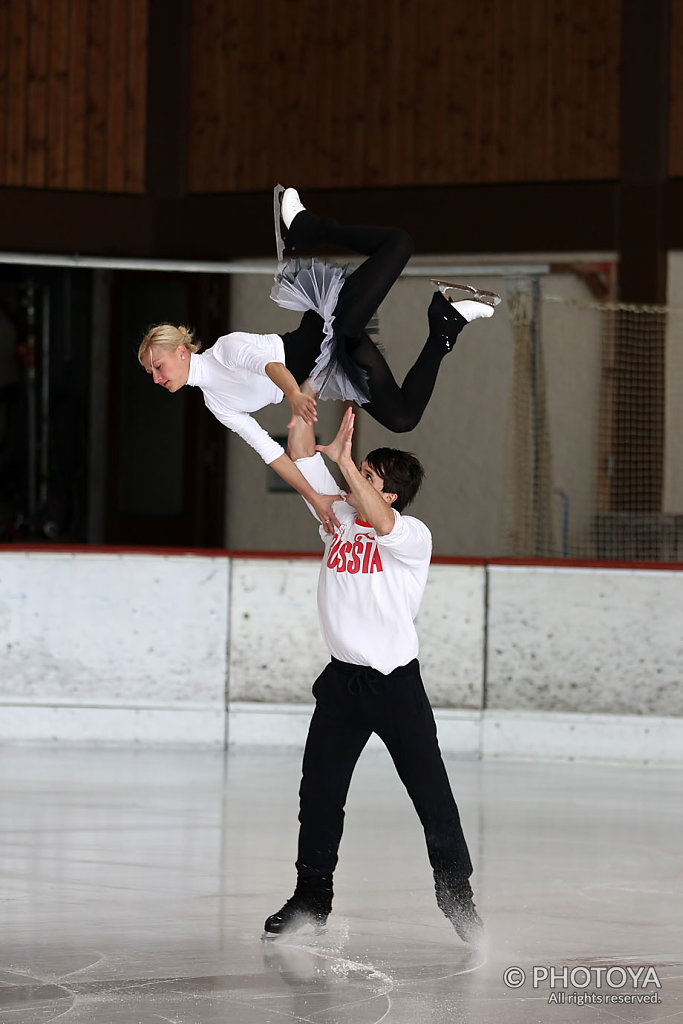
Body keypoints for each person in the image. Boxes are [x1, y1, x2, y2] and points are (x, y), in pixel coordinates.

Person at [138, 188, 497, 531]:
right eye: (150, 373)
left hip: (323, 333)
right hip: (332, 361)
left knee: (399, 244)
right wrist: (318, 498)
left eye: (157, 366)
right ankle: (444, 327)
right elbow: (271, 453)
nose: (156, 377)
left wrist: (294, 396)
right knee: (403, 418)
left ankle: (312, 227)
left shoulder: (225, 350)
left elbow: (271, 367)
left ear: (181, 351)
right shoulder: (216, 402)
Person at [262, 404, 483, 945]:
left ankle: (458, 898)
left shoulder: (410, 536)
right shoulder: (337, 518)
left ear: (390, 496)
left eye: (368, 478)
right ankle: (312, 897)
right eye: (360, 471)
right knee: (318, 793)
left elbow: (379, 521)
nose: (356, 479)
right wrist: (303, 396)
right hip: (342, 686)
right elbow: (299, 453)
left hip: (395, 687)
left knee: (432, 795)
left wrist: (343, 465)